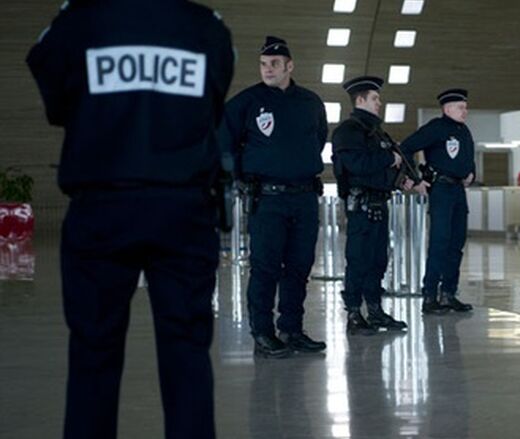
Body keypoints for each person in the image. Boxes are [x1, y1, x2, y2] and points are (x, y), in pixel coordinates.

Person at [26, 1, 233, 437]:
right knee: (187, 352)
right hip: (183, 208)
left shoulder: (81, 20)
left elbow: (56, 101)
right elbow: (211, 106)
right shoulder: (205, 27)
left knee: (93, 353)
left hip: (102, 205)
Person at [218, 36, 328, 358]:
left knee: (299, 266)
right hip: (267, 199)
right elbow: (223, 141)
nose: (268, 69)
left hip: (305, 197)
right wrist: (237, 178)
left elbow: (319, 139)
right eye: (263, 64)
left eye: (275, 64)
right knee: (265, 267)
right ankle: (263, 332)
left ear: (289, 66)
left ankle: (292, 329)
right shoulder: (247, 102)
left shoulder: (311, 102)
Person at [332, 76, 418, 335]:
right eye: (374, 98)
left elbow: (390, 165)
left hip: (380, 202)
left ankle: (375, 309)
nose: (379, 103)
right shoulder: (348, 131)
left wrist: (401, 179)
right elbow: (357, 165)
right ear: (360, 100)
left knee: (378, 260)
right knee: (358, 259)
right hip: (360, 205)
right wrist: (387, 158)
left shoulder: (378, 132)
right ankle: (354, 313)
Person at [400, 88, 476, 314]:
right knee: (440, 243)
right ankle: (430, 295)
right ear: (447, 108)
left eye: (465, 107)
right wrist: (416, 179)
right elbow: (406, 148)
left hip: (458, 190)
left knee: (456, 243)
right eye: (461, 107)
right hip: (441, 189)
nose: (465, 111)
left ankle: (448, 293)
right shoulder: (436, 128)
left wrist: (472, 173)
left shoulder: (464, 131)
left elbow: (468, 156)